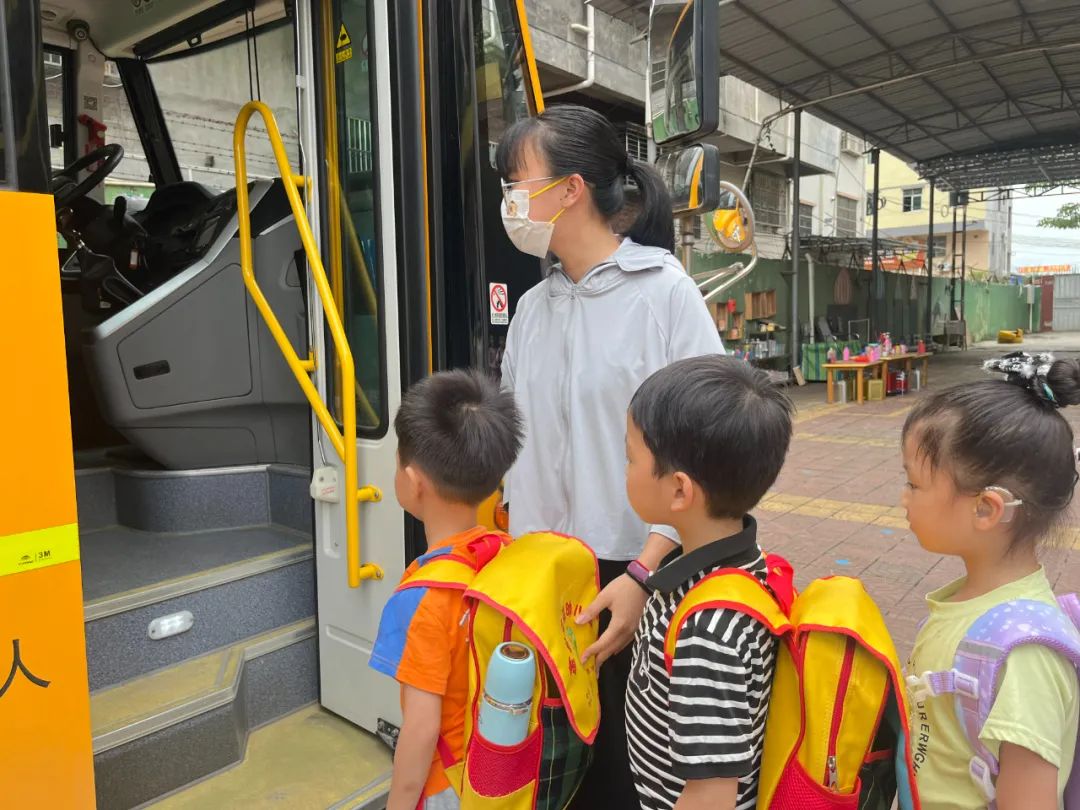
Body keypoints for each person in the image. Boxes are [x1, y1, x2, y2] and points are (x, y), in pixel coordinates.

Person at [496, 104, 724, 808]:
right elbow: (515, 440)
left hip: (631, 575)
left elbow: (710, 445)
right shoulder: (534, 307)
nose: (509, 199)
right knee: (548, 759)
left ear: (570, 191)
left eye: (517, 180)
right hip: (541, 576)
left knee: (621, 774)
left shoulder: (662, 294)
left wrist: (644, 573)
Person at [901, 352, 1080, 810]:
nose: (903, 498)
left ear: (985, 509)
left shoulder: (1024, 658)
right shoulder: (970, 603)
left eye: (914, 483)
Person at [622, 355, 793, 810]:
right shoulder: (731, 567)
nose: (625, 469)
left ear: (679, 490)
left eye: (630, 456)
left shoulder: (708, 633)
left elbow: (712, 792)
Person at [369, 369, 524, 810]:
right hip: (502, 770)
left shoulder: (421, 597)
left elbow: (420, 731)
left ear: (414, 482)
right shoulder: (504, 553)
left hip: (448, 786)